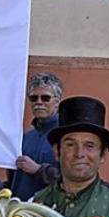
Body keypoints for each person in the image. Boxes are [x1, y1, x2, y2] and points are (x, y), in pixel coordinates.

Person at [9, 72, 63, 202]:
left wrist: (38, 170)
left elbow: (73, 180)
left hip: (53, 214)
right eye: (33, 98)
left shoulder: (66, 137)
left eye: (45, 98)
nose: (39, 103)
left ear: (57, 102)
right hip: (18, 214)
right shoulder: (24, 138)